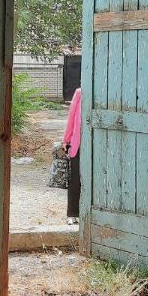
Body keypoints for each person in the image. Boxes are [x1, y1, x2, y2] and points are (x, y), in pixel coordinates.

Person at [62, 87, 82, 223]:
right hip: (78, 144)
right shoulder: (79, 93)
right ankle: (72, 214)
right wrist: (66, 139)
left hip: (97, 144)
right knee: (75, 179)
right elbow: (72, 117)